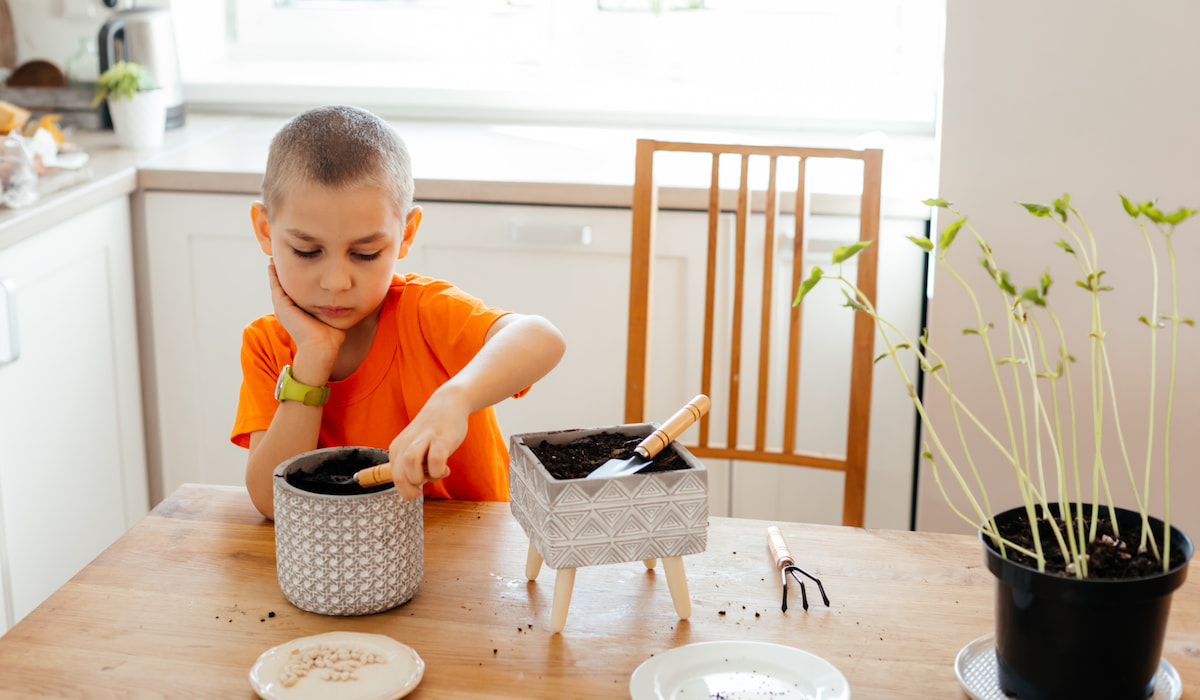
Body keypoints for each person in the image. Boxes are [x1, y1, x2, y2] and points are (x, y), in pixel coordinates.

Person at [230, 105, 566, 520]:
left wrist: (455, 399)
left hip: (467, 554)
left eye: (366, 253)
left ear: (405, 235)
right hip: (350, 563)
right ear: (265, 230)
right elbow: (271, 500)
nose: (336, 281)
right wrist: (314, 356)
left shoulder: (425, 313)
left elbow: (542, 337)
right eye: (307, 251)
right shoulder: (267, 345)